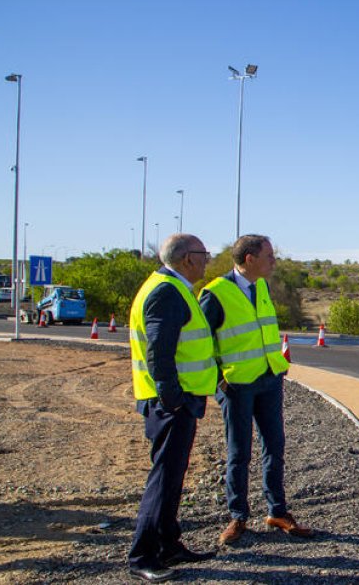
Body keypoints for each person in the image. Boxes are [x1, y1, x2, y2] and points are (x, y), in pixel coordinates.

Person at [199, 235, 314, 545]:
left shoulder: (261, 286)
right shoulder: (215, 293)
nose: (274, 261)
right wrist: (217, 380)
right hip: (236, 385)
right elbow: (200, 342)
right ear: (249, 259)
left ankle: (277, 511)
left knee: (274, 446)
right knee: (239, 453)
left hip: (268, 378)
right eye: (269, 256)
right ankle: (238, 516)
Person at [127, 234, 219, 582]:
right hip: (169, 404)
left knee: (172, 475)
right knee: (164, 478)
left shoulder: (173, 287)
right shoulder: (166, 292)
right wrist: (172, 399)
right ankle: (142, 556)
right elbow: (158, 352)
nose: (207, 260)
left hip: (176, 401)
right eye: (203, 254)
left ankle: (168, 544)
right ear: (186, 259)